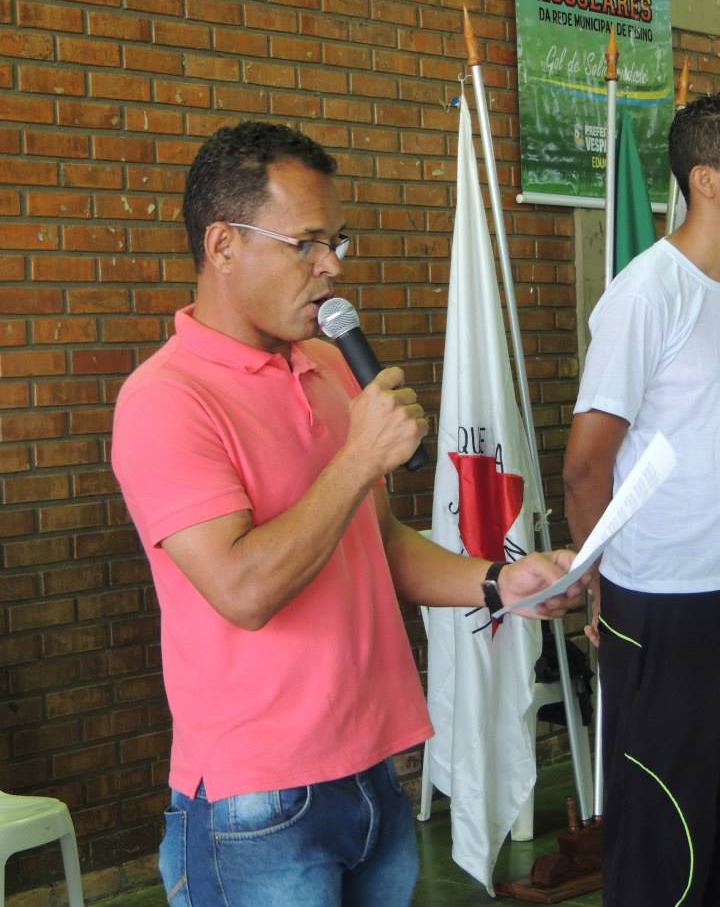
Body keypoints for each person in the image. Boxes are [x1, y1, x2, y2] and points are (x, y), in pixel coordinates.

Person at [112, 120, 583, 907]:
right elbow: (242, 589)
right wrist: (359, 457)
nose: (332, 265)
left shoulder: (330, 363)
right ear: (223, 245)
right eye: (306, 243)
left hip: (371, 769)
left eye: (336, 241)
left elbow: (378, 542)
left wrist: (500, 581)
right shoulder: (165, 400)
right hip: (258, 800)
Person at [563, 93, 720, 907]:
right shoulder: (647, 294)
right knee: (666, 817)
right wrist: (594, 578)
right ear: (707, 180)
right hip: (660, 597)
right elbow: (586, 465)